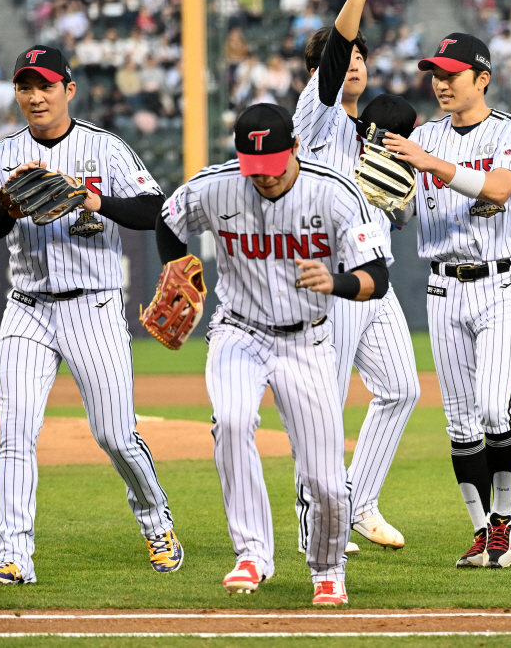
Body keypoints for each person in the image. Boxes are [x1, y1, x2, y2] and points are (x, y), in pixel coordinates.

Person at [154, 103, 390, 606]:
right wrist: (178, 267)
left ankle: (328, 569)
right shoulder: (217, 185)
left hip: (307, 341)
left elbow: (377, 278)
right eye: (253, 169)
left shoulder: (335, 193)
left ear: (295, 150)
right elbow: (167, 219)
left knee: (326, 478)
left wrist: (339, 282)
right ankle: (253, 553)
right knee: (233, 423)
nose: (263, 178)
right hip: (237, 332)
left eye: (273, 168)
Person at [0, 45, 180, 585]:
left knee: (115, 435)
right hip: (28, 308)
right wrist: (11, 204)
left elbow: (155, 209)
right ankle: (15, 556)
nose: (35, 97)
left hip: (95, 305)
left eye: (45, 86)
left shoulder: (104, 149)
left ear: (69, 89)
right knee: (15, 432)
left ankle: (158, 524)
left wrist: (90, 200)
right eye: (25, 87)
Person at [382, 33, 511, 569]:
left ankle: (503, 521)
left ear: (483, 78)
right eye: (435, 73)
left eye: (452, 73)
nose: (441, 82)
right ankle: (480, 532)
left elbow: (498, 190)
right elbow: (399, 211)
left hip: (501, 283)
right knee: (460, 422)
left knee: (496, 408)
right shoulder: (422, 136)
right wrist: (381, 187)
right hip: (442, 285)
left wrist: (428, 161)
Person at [290, 0, 420, 555]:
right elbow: (336, 50)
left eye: (362, 57)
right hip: (329, 280)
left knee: (401, 389)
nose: (355, 64)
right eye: (345, 59)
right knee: (325, 406)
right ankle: (316, 527)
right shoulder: (312, 116)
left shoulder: (371, 130)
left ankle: (359, 500)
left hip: (376, 276)